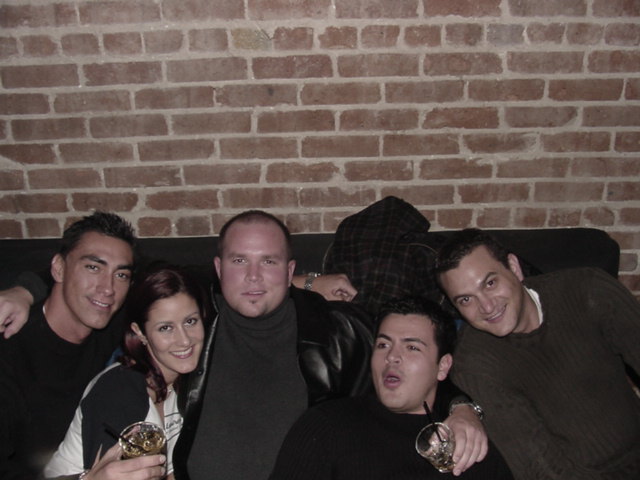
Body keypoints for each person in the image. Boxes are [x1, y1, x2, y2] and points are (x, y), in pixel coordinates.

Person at [434, 228, 640, 479]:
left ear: (514, 268)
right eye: (466, 300)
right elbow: (542, 468)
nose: (486, 306)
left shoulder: (589, 290)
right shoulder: (476, 363)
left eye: (490, 283)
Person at [269, 296, 512, 479]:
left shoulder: (467, 441)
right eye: (383, 345)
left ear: (443, 366)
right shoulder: (326, 425)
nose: (392, 357)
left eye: (412, 347)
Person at [0, 212, 166, 479]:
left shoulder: (111, 320)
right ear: (58, 269)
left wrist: (27, 289)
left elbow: (174, 280)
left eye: (121, 274)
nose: (108, 288)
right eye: (93, 267)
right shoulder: (11, 352)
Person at [44, 265, 207, 480]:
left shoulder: (189, 378)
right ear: (140, 332)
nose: (184, 340)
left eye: (190, 321)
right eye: (165, 328)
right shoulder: (119, 392)